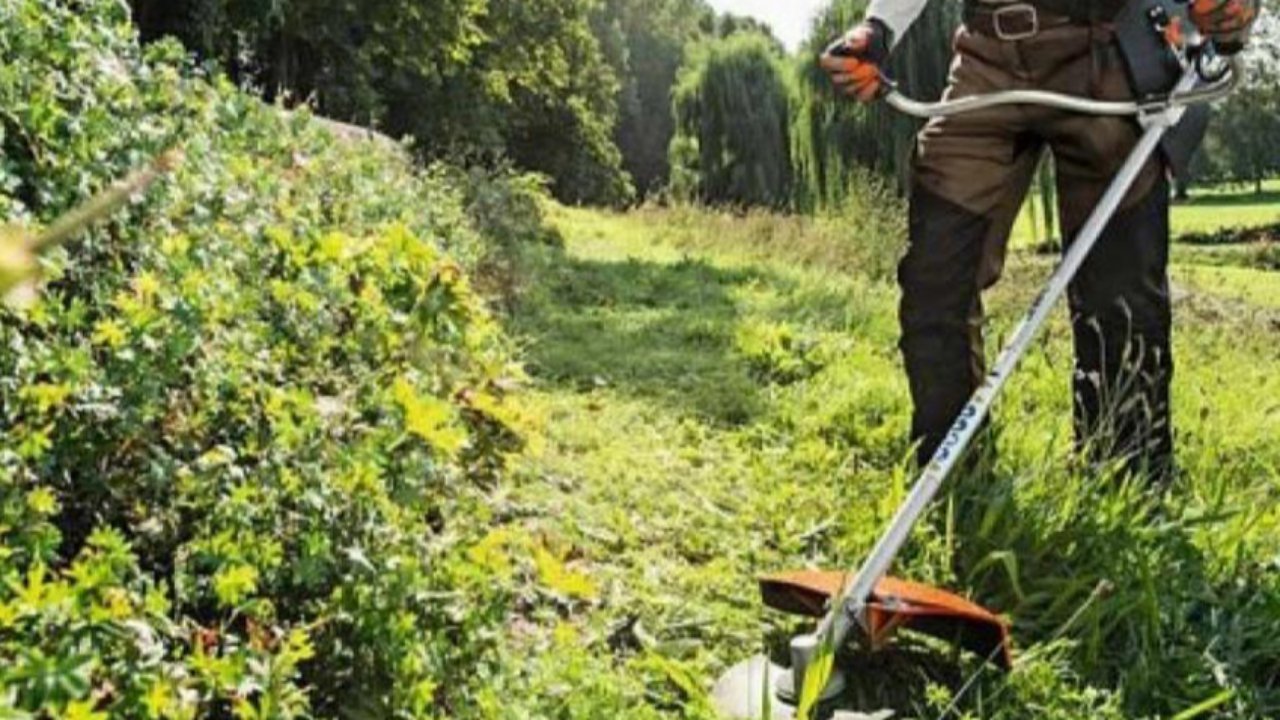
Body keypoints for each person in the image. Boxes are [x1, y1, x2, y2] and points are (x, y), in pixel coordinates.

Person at [820, 0, 1257, 481]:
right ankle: (954, 482)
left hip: (1103, 50)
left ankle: (1126, 482)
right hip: (986, 59)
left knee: (1122, 296)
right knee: (935, 277)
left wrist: (1234, 11)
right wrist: (879, 28)